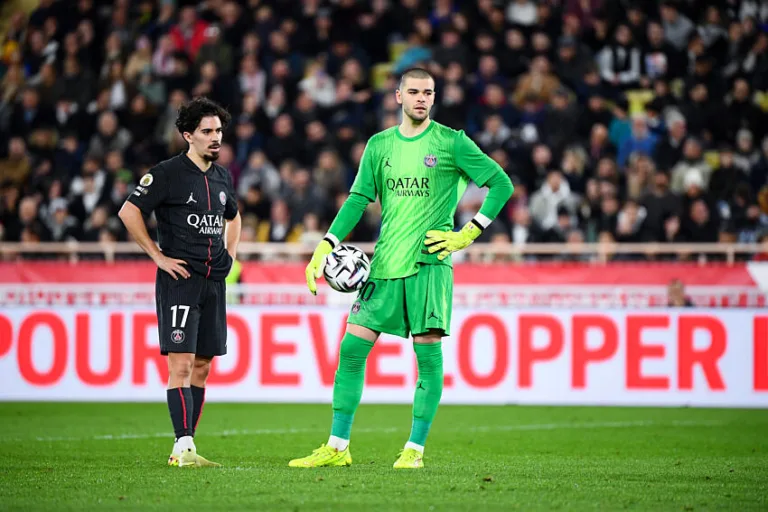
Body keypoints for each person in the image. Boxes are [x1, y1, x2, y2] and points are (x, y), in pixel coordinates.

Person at [288, 68, 514, 469]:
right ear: (398, 96)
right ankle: (337, 447)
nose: (421, 98)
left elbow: (501, 184)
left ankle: (415, 450)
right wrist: (326, 244)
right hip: (384, 264)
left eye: (428, 92)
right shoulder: (379, 145)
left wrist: (468, 233)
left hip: (429, 263)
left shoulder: (452, 142)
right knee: (351, 349)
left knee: (427, 356)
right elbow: (358, 199)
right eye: (414, 92)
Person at [118, 97, 241, 467]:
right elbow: (129, 211)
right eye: (207, 131)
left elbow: (233, 217)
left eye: (218, 130)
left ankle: (187, 445)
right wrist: (158, 256)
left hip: (214, 282)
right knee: (182, 366)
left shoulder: (222, 177)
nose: (215, 137)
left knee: (203, 366)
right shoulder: (167, 173)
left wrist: (230, 253)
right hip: (181, 281)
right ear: (188, 135)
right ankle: (183, 445)